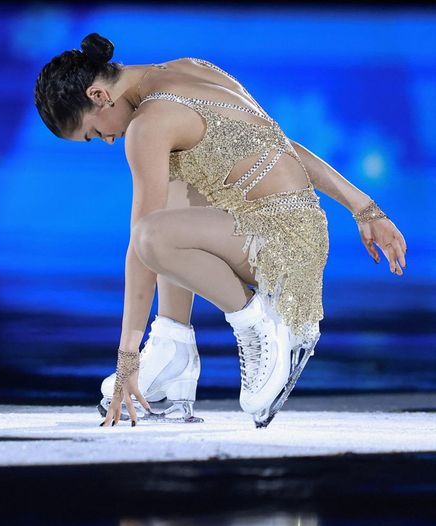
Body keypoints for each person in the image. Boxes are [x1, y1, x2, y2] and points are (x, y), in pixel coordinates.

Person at [33, 33, 408, 428]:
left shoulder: (148, 124)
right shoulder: (190, 68)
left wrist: (127, 355)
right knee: (174, 186)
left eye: (94, 133)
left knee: (151, 236)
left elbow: (141, 245)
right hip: (299, 232)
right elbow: (282, 147)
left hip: (273, 248)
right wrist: (364, 207)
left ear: (97, 95)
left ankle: (259, 322)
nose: (109, 140)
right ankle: (172, 352)